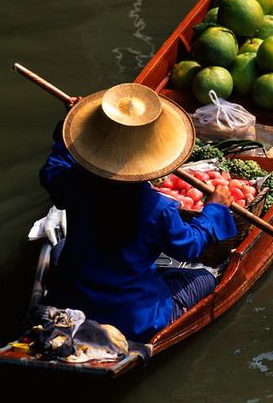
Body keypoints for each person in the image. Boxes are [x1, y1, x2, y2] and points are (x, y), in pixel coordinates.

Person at [39, 82, 237, 343]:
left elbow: (53, 168)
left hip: (73, 300)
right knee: (203, 277)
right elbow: (189, 247)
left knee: (62, 246)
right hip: (132, 319)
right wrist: (214, 209)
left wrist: (73, 128)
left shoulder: (73, 182)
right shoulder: (158, 208)